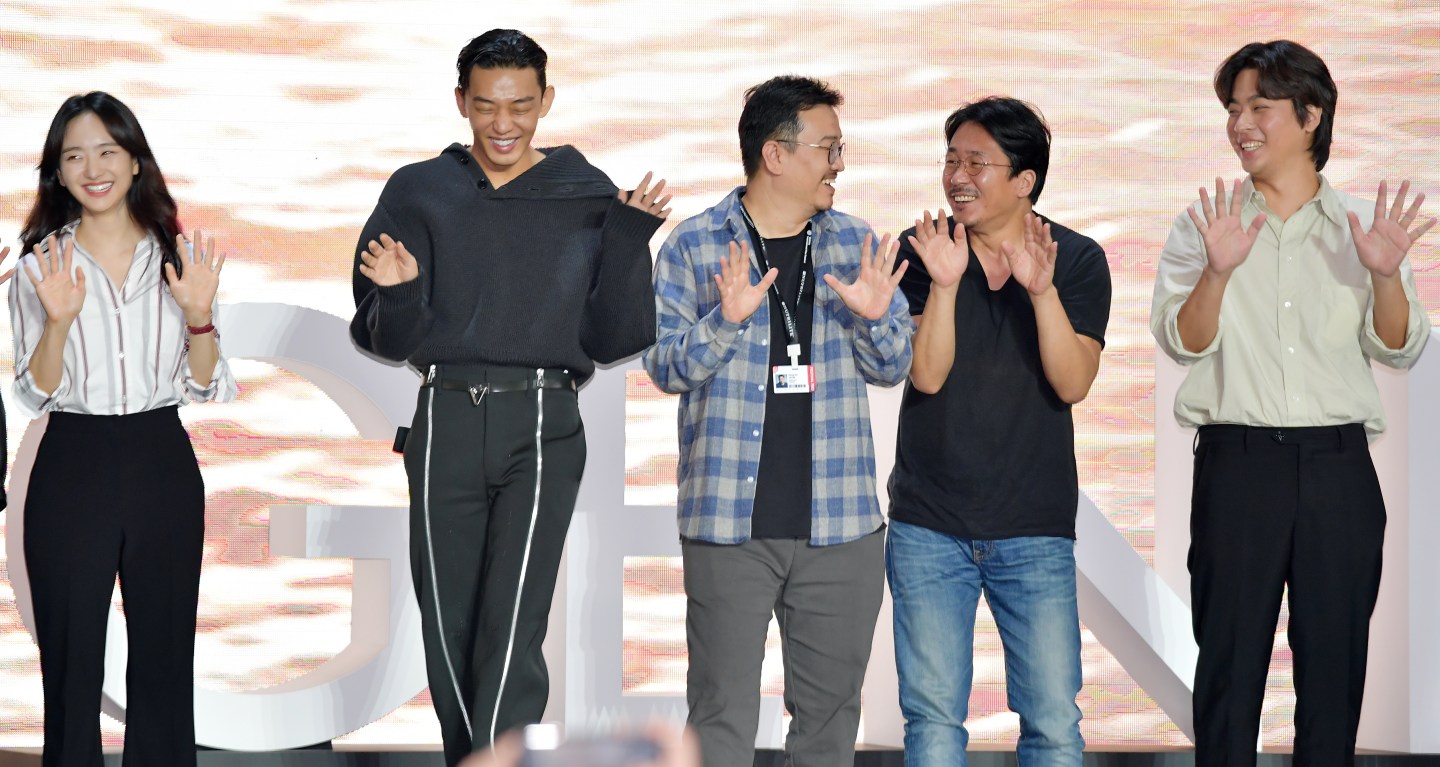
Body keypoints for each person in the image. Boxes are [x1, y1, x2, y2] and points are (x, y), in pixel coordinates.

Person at [349, 29, 669, 765]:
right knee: (449, 627)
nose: (504, 124)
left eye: (521, 106)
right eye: (487, 105)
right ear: (461, 101)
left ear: (545, 101)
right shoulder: (416, 191)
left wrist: (626, 241)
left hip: (542, 419)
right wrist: (398, 295)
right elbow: (382, 338)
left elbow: (617, 337)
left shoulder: (589, 195)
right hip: (445, 416)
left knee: (513, 624)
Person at [1150, 40, 1433, 764]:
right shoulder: (1205, 224)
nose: (1240, 123)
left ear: (1310, 116)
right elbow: (1183, 342)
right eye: (1233, 109)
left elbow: (1400, 347)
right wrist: (1216, 273)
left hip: (1338, 467)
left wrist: (1388, 277)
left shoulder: (1365, 229)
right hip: (1237, 464)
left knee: (1334, 675)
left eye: (1258, 107)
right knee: (1229, 673)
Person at [643, 75, 913, 767]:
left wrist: (877, 316)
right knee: (719, 716)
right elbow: (667, 367)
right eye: (828, 147)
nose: (839, 164)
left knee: (827, 724)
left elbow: (891, 368)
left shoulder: (857, 243)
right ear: (776, 155)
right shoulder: (694, 246)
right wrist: (724, 322)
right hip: (729, 524)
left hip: (840, 526)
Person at [11, 91, 236, 767]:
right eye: (74, 155)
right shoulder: (39, 266)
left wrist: (199, 315)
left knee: (164, 657)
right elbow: (35, 390)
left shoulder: (180, 260)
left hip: (158, 453)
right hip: (72, 460)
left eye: (107, 150)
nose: (93, 167)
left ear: (135, 162)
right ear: (58, 172)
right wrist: (57, 322)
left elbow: (202, 383)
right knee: (71, 659)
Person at [885, 97, 1110, 766]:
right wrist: (947, 286)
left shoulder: (1074, 259)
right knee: (931, 720)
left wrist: (1042, 293)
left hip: (1033, 526)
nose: (958, 175)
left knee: (1051, 722)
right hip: (928, 522)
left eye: (977, 162)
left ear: (1025, 179)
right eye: (951, 159)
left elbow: (1073, 383)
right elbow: (926, 375)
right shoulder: (920, 251)